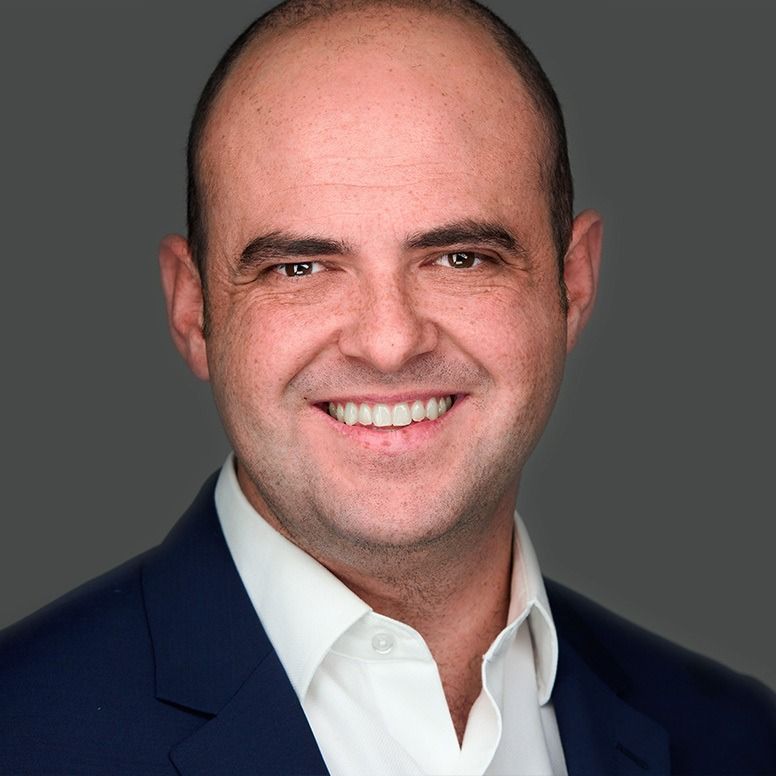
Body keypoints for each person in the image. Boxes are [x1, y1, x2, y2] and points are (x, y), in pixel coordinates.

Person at [1, 1, 773, 774]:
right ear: (194, 310)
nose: (389, 342)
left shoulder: (739, 740)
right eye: (299, 268)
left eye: (461, 258)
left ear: (572, 283)